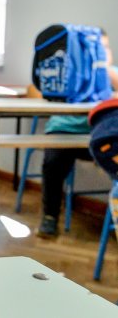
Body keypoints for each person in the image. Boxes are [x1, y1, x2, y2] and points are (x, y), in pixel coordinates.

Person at [37, 30, 118, 239]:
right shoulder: (70, 71)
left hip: (99, 135)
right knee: (53, 162)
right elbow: (35, 89)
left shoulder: (111, 74)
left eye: (104, 47)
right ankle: (50, 216)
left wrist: (105, 71)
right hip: (63, 130)